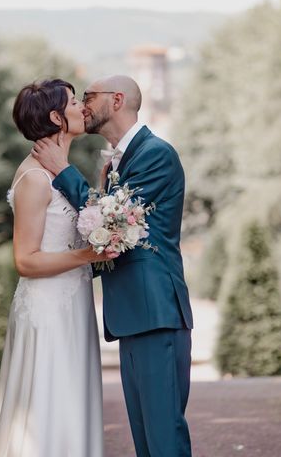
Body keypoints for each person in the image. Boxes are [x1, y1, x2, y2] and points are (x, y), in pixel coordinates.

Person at [32, 75, 194, 457]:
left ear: (116, 100)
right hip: (133, 314)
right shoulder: (122, 160)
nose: (83, 105)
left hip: (157, 312)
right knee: (146, 440)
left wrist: (62, 169)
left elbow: (111, 225)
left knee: (164, 437)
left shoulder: (156, 153)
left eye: (88, 96)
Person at [0, 79, 111, 457]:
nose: (82, 109)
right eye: (74, 103)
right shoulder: (35, 178)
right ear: (57, 117)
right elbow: (25, 260)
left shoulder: (59, 169)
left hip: (72, 303)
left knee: (72, 401)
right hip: (48, 309)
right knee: (49, 405)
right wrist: (88, 256)